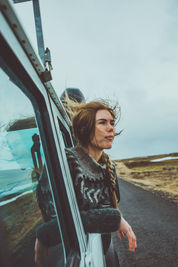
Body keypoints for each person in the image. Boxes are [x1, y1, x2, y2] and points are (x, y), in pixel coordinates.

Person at [34, 100, 137, 266]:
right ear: (85, 129)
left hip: (101, 251)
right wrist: (114, 219)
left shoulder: (109, 166)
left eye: (112, 123)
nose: (111, 128)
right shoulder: (64, 161)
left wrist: (111, 218)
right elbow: (57, 223)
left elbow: (107, 209)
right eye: (102, 123)